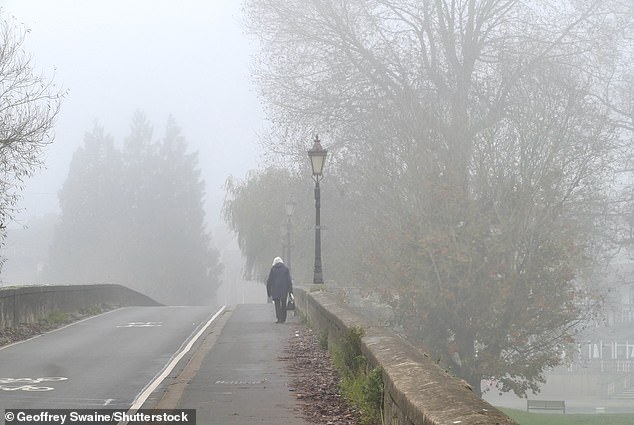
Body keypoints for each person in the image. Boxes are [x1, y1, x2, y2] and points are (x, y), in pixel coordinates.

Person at [266, 256, 293, 323]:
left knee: (277, 304)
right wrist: (290, 291)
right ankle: (283, 319)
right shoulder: (286, 269)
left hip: (275, 289)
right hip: (284, 289)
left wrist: (269, 292)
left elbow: (269, 281)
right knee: (284, 304)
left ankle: (279, 318)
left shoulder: (273, 269)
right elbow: (289, 281)